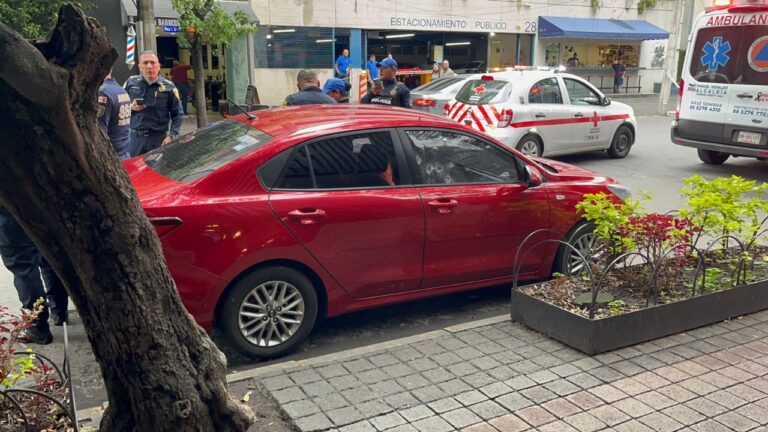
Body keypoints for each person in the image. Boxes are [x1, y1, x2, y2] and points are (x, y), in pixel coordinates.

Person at [0, 206, 69, 344]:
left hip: (8, 209)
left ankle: (38, 327)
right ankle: (59, 311)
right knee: (49, 257)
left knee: (23, 266)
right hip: (40, 203)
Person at [124, 51, 183, 157]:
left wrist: (172, 135)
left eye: (153, 62)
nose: (149, 66)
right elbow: (119, 108)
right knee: (133, 171)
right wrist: (130, 108)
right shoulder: (130, 83)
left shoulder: (169, 86)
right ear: (139, 66)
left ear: (159, 66)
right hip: (135, 139)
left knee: (157, 170)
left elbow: (178, 113)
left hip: (158, 139)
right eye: (145, 63)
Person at [97, 68, 131, 160]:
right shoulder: (121, 90)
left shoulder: (102, 92)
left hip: (111, 156)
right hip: (124, 152)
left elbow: (100, 131)